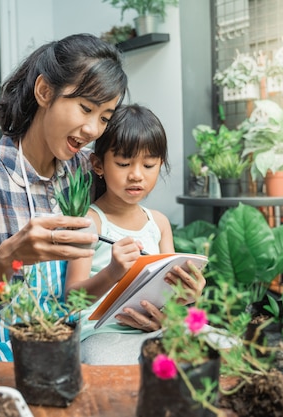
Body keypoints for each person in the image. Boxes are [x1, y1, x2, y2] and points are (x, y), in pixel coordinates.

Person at [0, 33, 129, 361]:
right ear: (44, 92)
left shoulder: (85, 171)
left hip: (75, 348)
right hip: (9, 359)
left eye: (104, 117)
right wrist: (11, 257)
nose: (93, 130)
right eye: (85, 108)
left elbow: (120, 237)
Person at [64, 104, 207, 365]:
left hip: (153, 330)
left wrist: (187, 296)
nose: (136, 175)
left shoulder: (159, 223)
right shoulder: (90, 222)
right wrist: (112, 273)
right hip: (100, 335)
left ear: (160, 165)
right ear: (98, 165)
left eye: (149, 165)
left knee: (210, 348)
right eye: (123, 163)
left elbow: (169, 291)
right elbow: (72, 299)